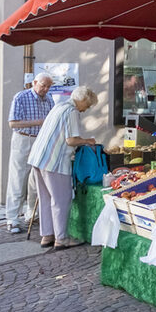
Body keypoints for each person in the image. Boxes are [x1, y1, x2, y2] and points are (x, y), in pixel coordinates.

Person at [28, 86, 98, 249]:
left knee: (45, 198)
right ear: (82, 100)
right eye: (87, 106)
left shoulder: (59, 106)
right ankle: (61, 239)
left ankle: (47, 236)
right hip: (55, 161)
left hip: (38, 158)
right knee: (61, 199)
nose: (85, 110)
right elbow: (71, 140)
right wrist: (88, 141)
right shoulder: (72, 111)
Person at [4, 73, 54, 234]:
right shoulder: (21, 97)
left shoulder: (49, 99)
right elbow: (12, 123)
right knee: (18, 179)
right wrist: (38, 122)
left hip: (40, 141)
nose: (45, 89)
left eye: (48, 86)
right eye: (42, 85)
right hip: (23, 139)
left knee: (36, 179)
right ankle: (12, 219)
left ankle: (31, 213)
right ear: (34, 82)